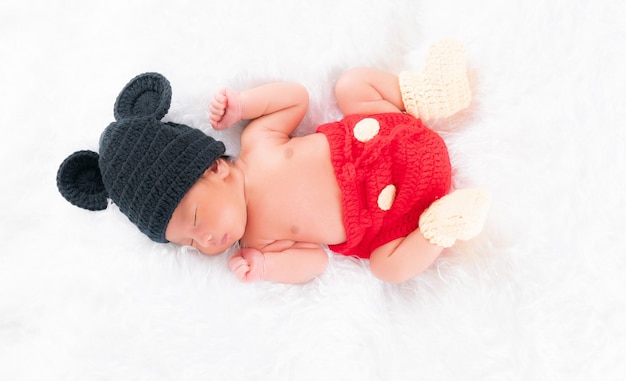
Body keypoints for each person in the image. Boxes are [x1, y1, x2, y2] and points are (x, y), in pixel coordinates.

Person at [56, 39, 489, 285]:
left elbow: (295, 98)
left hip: (386, 137)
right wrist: (266, 268)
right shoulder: (258, 242)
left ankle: (430, 95)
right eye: (190, 243)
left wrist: (244, 105)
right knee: (388, 269)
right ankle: (442, 229)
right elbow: (316, 262)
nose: (205, 239)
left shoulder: (257, 142)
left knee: (352, 86)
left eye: (195, 217)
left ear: (214, 168)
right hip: (398, 217)